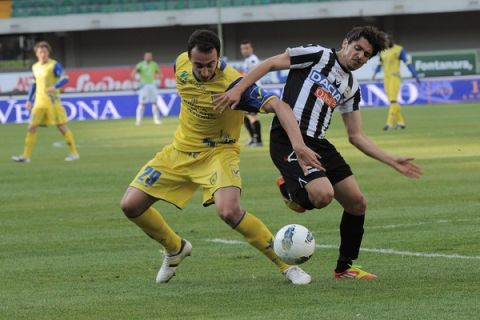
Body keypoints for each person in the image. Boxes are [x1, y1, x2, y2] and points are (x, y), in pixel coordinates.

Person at [213, 26, 423, 279]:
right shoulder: (317, 54)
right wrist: (238, 89)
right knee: (323, 196)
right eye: (358, 48)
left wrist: (392, 160)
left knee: (357, 203)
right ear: (345, 42)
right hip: (288, 138)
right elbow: (269, 63)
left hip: (319, 143)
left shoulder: (352, 86)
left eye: (366, 55)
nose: (360, 56)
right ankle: (292, 190)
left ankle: (344, 268)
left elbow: (356, 135)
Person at [120, 30, 322, 285]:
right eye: (199, 65)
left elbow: (279, 106)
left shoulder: (234, 84)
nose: (205, 72)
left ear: (219, 58)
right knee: (130, 205)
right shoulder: (180, 63)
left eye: (210, 65)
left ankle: (287, 266)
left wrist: (299, 145)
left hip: (219, 152)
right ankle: (175, 249)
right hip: (179, 151)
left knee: (228, 210)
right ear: (189, 59)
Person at [12, 41, 79, 163]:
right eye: (40, 52)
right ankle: (25, 156)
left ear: (48, 53)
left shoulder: (54, 65)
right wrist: (29, 100)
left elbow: (65, 78)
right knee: (31, 127)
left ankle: (74, 153)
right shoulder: (35, 67)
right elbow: (34, 85)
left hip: (53, 103)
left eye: (44, 52)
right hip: (39, 103)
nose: (42, 54)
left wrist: (55, 86)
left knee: (62, 127)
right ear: (36, 54)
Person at [372, 34, 420, 131]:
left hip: (395, 77)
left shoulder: (399, 50)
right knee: (392, 102)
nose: (384, 43)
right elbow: (380, 64)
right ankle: (401, 123)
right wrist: (375, 74)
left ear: (390, 41)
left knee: (393, 101)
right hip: (386, 78)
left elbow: (408, 63)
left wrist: (415, 75)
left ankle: (389, 124)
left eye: (385, 41)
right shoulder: (383, 51)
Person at [240, 40, 263, 147]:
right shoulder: (247, 61)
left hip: (253, 91)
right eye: (243, 48)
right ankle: (252, 138)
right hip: (247, 90)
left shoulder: (253, 60)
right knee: (245, 115)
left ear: (251, 49)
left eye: (247, 48)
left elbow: (252, 75)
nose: (244, 50)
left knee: (252, 116)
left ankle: (258, 140)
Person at [131, 52, 163, 125]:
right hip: (144, 86)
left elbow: (160, 74)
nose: (148, 57)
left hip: (152, 85)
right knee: (141, 103)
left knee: (154, 102)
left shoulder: (154, 64)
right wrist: (137, 81)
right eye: (147, 56)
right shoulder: (140, 64)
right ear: (144, 57)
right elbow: (133, 73)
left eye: (150, 56)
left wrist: (158, 79)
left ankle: (156, 120)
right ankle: (138, 121)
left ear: (151, 57)